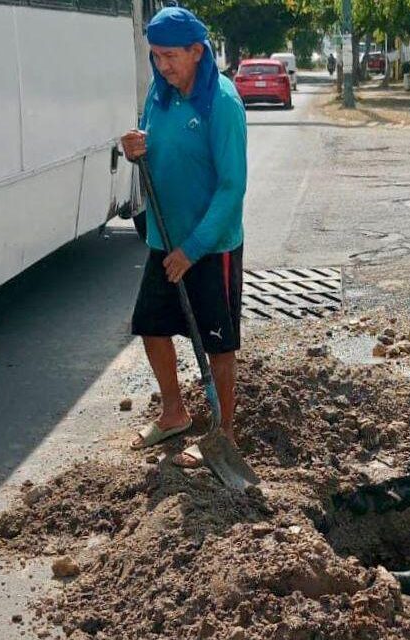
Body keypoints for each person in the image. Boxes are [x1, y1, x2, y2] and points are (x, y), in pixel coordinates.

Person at [121, 7, 247, 468]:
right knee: (151, 325)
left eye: (170, 56)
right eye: (155, 56)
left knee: (218, 341)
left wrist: (192, 250)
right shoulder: (160, 93)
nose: (162, 66)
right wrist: (135, 147)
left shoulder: (223, 104)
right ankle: (174, 413)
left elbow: (233, 187)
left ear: (197, 51)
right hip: (164, 240)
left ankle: (224, 433)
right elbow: (152, 143)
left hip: (210, 247)